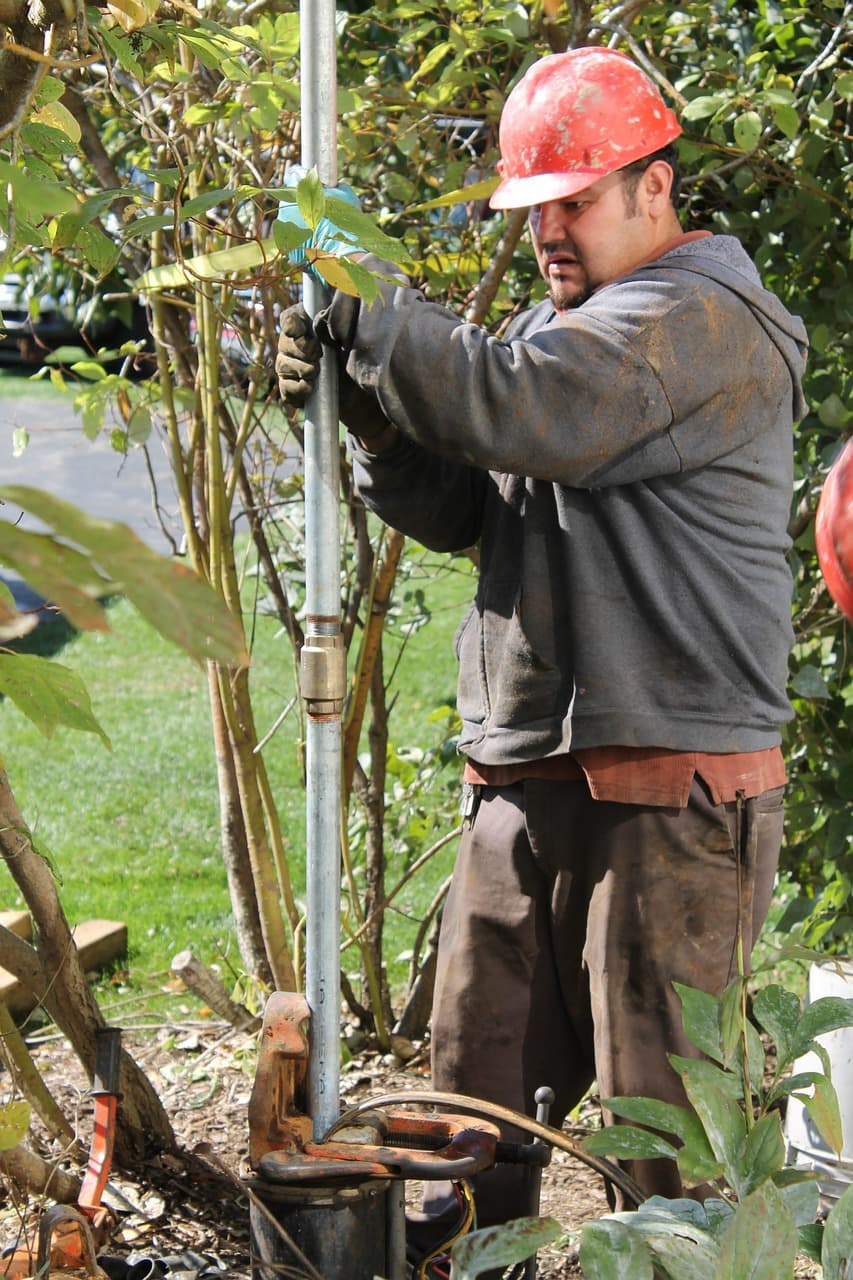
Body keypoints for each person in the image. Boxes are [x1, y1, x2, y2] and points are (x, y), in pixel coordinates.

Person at [276, 45, 808, 1233]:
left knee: (667, 1150)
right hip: (524, 778)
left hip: (667, 794)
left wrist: (367, 301)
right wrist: (372, 418)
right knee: (466, 1127)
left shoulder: (701, 317)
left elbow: (523, 409)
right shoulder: (560, 329)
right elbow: (472, 505)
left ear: (654, 188)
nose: (547, 231)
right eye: (532, 208)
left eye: (573, 200)